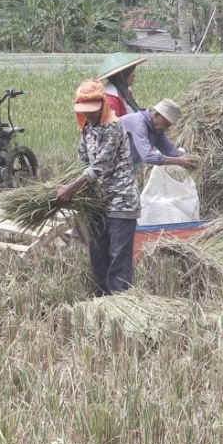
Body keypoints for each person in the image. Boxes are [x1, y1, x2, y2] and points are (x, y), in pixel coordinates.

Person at [57, 79, 141, 296]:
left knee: (118, 256)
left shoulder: (113, 126)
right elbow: (82, 162)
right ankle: (102, 299)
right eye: (86, 111)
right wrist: (63, 182)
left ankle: (120, 301)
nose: (90, 115)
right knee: (98, 254)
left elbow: (99, 167)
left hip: (121, 200)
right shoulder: (87, 129)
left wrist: (70, 189)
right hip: (97, 202)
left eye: (93, 110)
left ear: (103, 104)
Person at [120, 98, 200, 172]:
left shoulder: (156, 129)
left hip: (121, 167)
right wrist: (179, 161)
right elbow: (148, 156)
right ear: (156, 115)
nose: (167, 129)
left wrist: (190, 159)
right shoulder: (138, 123)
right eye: (166, 124)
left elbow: (169, 150)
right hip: (110, 164)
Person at [97, 53, 148, 118]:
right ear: (122, 76)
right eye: (131, 73)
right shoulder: (111, 99)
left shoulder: (125, 92)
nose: (134, 75)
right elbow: (115, 123)